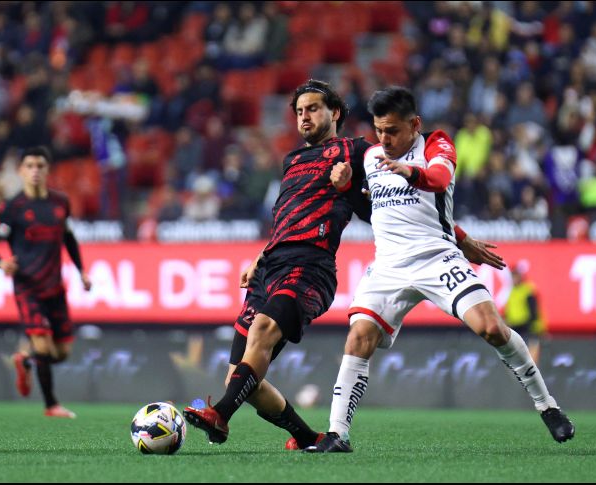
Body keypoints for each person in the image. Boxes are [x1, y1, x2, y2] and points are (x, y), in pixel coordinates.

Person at [183, 80, 502, 449]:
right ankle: (306, 437)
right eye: (300, 111)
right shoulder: (292, 160)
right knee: (238, 379)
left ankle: (219, 416)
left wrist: (461, 241)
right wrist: (261, 255)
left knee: (264, 331)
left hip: (310, 265)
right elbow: (287, 216)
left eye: (313, 108)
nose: (305, 117)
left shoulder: (358, 152)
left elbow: (401, 207)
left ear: (334, 113)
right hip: (271, 265)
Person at [305, 86, 574, 453]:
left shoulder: (436, 143)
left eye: (393, 131)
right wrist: (344, 184)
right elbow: (384, 207)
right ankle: (338, 434)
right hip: (388, 266)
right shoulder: (369, 157)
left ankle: (548, 407)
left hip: (437, 258)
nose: (385, 139)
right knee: (358, 337)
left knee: (492, 328)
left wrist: (418, 184)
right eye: (379, 130)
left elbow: (438, 182)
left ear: (415, 124)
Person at [0, 146, 92, 418]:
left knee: (62, 352)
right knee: (43, 345)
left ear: (47, 170)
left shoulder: (60, 203)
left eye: (40, 165)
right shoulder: (13, 207)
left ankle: (25, 359)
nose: (34, 171)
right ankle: (51, 405)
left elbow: (69, 239)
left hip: (55, 287)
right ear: (21, 171)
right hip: (28, 287)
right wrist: (1, 262)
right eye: (29, 165)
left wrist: (81, 271)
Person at [504, 262, 545, 364]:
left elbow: (533, 313)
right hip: (517, 329)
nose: (514, 279)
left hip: (529, 329)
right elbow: (509, 311)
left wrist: (517, 324)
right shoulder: (512, 291)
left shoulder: (528, 290)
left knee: (531, 358)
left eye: (516, 276)